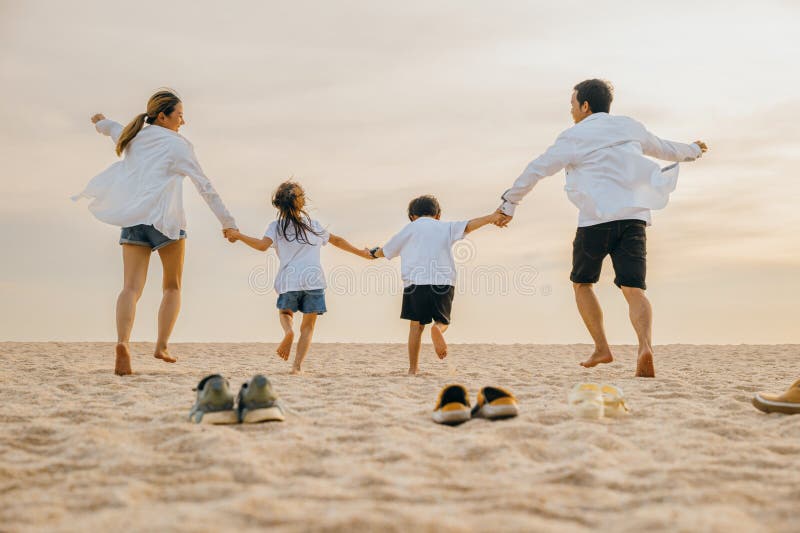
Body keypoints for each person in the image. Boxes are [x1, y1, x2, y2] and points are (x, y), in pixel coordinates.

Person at [494, 79, 709, 377]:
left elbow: (537, 169)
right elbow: (665, 148)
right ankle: (645, 346)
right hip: (633, 218)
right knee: (634, 289)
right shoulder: (630, 127)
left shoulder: (573, 137)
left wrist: (509, 203)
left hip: (595, 220)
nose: (571, 111)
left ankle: (601, 347)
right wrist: (693, 150)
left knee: (582, 284)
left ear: (585, 105)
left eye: (572, 105)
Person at [74, 89, 238, 375]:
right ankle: (161, 346)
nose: (183, 122)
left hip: (134, 219)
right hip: (167, 222)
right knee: (172, 287)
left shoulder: (133, 134)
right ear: (162, 116)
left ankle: (123, 342)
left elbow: (112, 128)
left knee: (130, 288)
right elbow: (205, 186)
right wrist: (228, 222)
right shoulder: (179, 146)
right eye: (180, 116)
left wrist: (100, 121)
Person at [225, 181, 374, 374]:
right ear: (300, 202)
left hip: (290, 279)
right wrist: (361, 253)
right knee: (308, 327)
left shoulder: (276, 226)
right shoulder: (313, 225)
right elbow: (337, 240)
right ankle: (297, 367)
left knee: (286, 314)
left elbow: (262, 246)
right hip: (314, 280)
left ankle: (288, 332)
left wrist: (238, 235)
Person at [370, 195, 502, 375]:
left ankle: (413, 368)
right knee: (443, 320)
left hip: (415, 283)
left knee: (416, 326)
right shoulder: (445, 227)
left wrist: (372, 253)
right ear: (438, 215)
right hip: (443, 282)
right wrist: (492, 217)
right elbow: (469, 225)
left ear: (412, 216)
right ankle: (437, 329)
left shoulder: (409, 229)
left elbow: (384, 251)